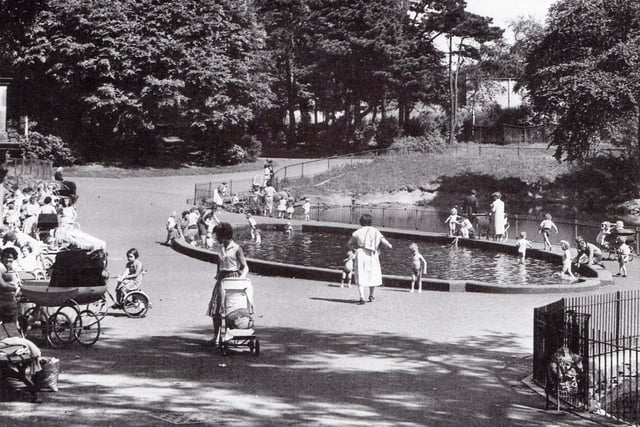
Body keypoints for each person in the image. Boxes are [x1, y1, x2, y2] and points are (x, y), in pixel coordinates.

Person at [206, 223, 249, 345]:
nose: (216, 237)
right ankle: (217, 336)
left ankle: (231, 337)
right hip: (222, 278)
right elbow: (219, 262)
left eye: (218, 235)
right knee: (216, 308)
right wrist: (217, 273)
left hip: (232, 277)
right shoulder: (220, 247)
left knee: (231, 308)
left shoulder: (236, 248)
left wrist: (241, 278)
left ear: (224, 235)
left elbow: (245, 267)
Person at [348, 214, 392, 305]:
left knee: (360, 274)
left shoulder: (357, 232)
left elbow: (349, 244)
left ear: (361, 222)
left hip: (361, 253)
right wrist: (387, 246)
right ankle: (371, 295)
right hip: (372, 254)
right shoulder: (376, 231)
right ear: (371, 222)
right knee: (372, 273)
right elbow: (386, 243)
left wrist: (354, 249)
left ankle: (361, 297)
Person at [0, 247, 20, 323]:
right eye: (6, 257)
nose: (8, 259)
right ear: (1, 257)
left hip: (9, 299)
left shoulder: (11, 268)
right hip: (4, 302)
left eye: (10, 257)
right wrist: (16, 288)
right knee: (10, 326)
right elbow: (3, 285)